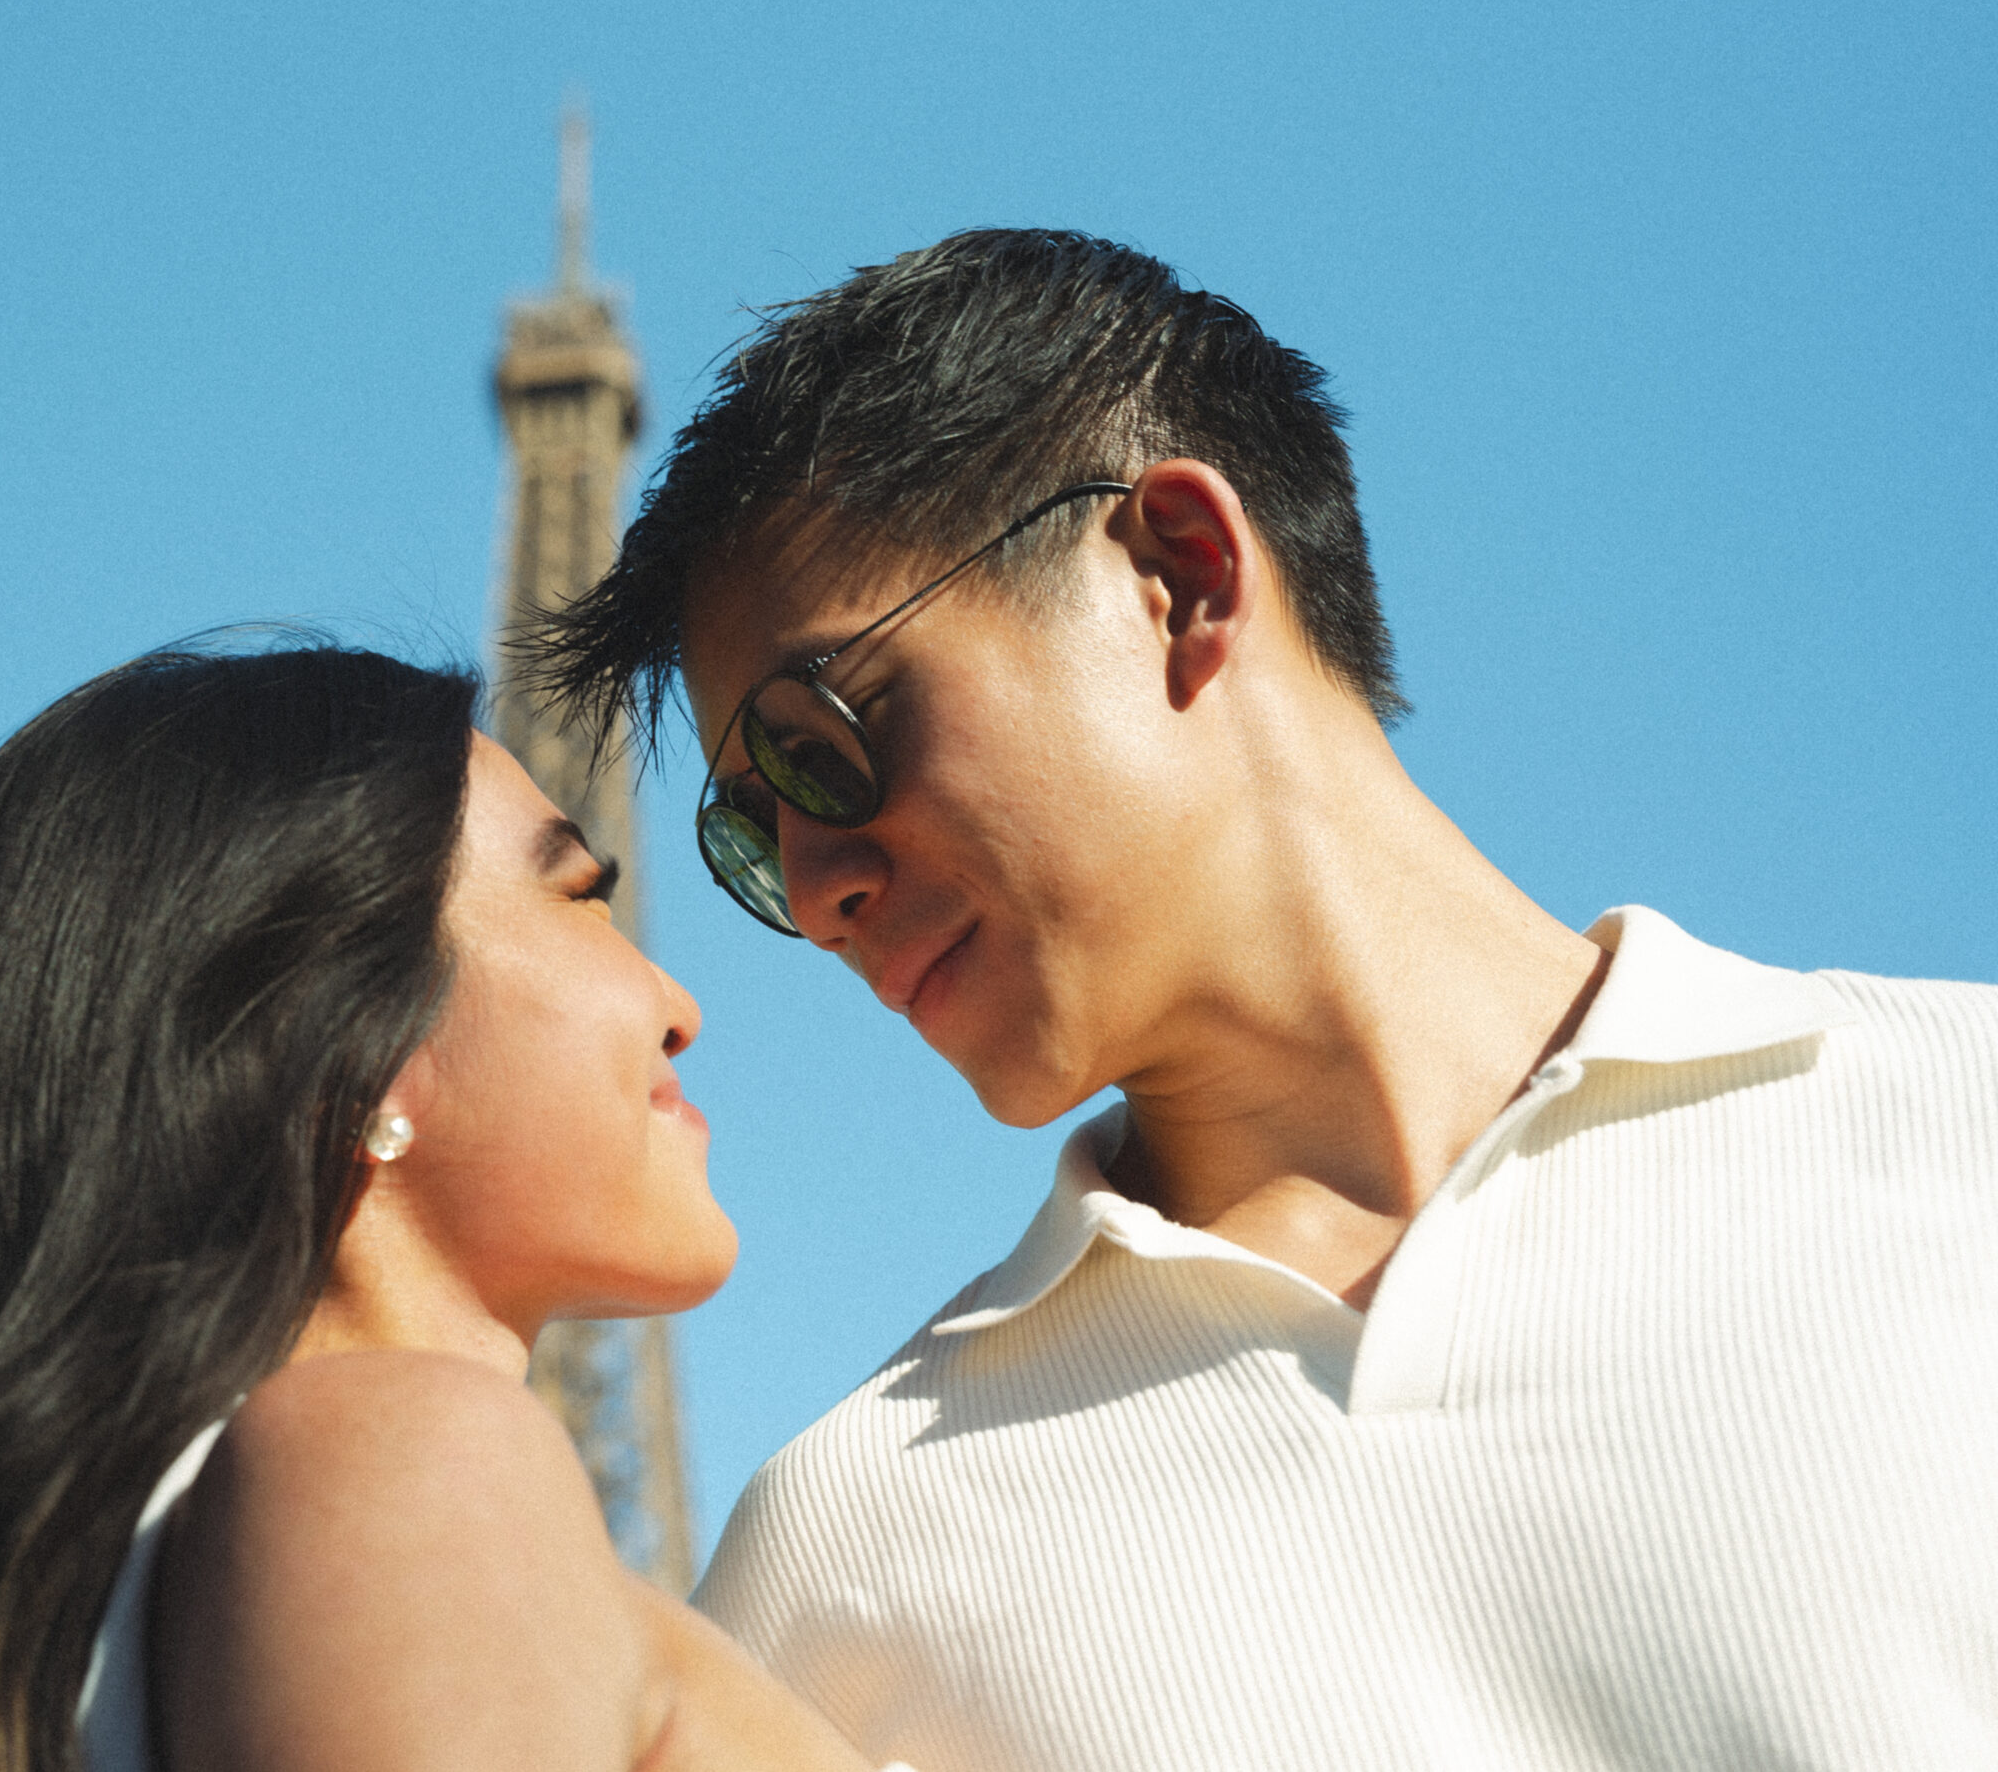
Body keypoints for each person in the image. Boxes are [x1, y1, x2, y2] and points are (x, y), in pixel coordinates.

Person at [532, 229, 1998, 1770]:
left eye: (827, 736)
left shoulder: (1960, 1119)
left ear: (1182, 575)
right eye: (748, 835)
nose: (817, 881)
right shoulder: (842, 1558)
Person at [0, 641, 898, 1772]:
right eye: (579, 894)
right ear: (352, 1047)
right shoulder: (401, 1463)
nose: (677, 1001)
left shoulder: (125, 1596)